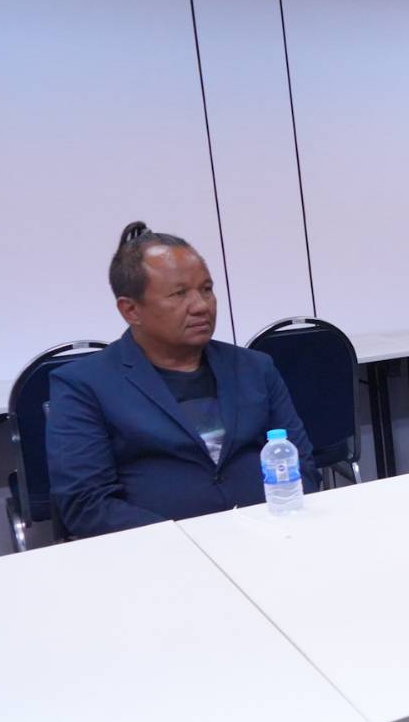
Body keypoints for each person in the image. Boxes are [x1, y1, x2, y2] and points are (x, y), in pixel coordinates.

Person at [48, 222, 317, 540]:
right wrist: (187, 539)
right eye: (179, 294)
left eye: (207, 289)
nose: (201, 306)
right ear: (130, 310)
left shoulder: (254, 367)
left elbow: (302, 465)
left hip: (273, 535)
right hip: (159, 552)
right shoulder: (84, 385)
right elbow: (86, 505)